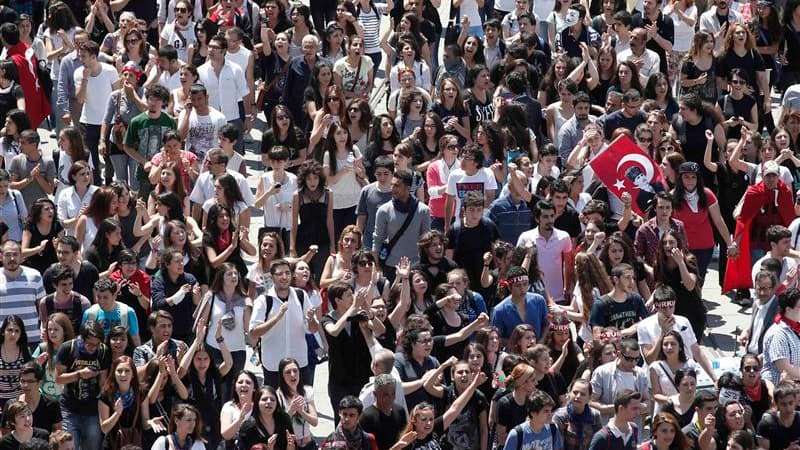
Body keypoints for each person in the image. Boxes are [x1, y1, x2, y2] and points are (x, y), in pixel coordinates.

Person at [250, 259, 319, 388]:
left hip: (299, 364)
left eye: (287, 273)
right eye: (280, 274)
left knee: (301, 403)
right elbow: (254, 333)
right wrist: (277, 317)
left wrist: (311, 320)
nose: (284, 277)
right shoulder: (264, 300)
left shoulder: (301, 296)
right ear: (272, 277)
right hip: (273, 365)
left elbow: (313, 329)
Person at [638, 285, 716, 382]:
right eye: (664, 307)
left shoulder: (683, 321)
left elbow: (696, 351)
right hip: (658, 380)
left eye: (671, 307)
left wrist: (714, 377)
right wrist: (663, 333)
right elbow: (649, 360)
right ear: (656, 306)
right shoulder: (644, 326)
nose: (668, 311)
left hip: (685, 380)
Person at [55, 320, 111, 450]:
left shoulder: (103, 351)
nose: (93, 348)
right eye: (89, 344)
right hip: (69, 408)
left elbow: (103, 382)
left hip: (92, 410)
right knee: (68, 446)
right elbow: (58, 379)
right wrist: (79, 374)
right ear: (81, 338)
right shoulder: (67, 348)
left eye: (96, 344)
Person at [373, 169, 431, 281]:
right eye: (392, 185)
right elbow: (377, 239)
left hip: (415, 267)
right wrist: (377, 267)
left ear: (408, 188)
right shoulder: (383, 210)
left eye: (397, 186)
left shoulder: (423, 210)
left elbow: (426, 241)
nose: (392, 189)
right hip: (391, 266)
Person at [517, 199, 573, 304]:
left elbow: (568, 265)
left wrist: (567, 288)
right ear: (537, 219)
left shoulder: (564, 237)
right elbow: (517, 267)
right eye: (545, 217)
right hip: (532, 296)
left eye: (552, 216)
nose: (550, 220)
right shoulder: (525, 237)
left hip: (558, 298)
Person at [590, 339, 650, 425]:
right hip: (608, 427)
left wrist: (638, 407)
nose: (633, 363)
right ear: (619, 354)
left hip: (634, 429)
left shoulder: (641, 374)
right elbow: (591, 401)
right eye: (629, 359)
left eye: (637, 359)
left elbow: (648, 401)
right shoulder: (602, 372)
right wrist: (616, 408)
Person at [151, 247, 202, 343]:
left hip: (187, 330)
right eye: (177, 261)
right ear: (167, 264)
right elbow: (159, 304)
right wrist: (178, 295)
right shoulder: (159, 281)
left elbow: (197, 303)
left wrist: (196, 294)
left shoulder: (189, 278)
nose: (181, 264)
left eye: (182, 260)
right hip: (166, 333)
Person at [0, 240, 45, 348]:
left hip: (31, 338)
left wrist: (44, 329)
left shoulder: (35, 275)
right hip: (3, 340)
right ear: (1, 257)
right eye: (8, 255)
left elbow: (43, 307)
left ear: (21, 256)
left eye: (15, 254)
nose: (12, 259)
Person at [490, 265, 550, 344]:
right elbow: (497, 338)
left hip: (537, 352)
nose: (522, 289)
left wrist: (541, 341)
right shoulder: (499, 310)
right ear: (509, 287)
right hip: (514, 354)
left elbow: (546, 325)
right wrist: (519, 344)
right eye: (518, 285)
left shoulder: (539, 301)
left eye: (525, 284)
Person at [97, 355, 143, 450]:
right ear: (113, 373)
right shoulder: (106, 395)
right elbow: (104, 428)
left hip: (135, 445)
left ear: (133, 374)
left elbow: (145, 422)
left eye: (127, 371)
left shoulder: (140, 392)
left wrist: (150, 422)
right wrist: (117, 414)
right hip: (113, 445)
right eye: (119, 371)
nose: (123, 374)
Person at [276, 357, 318, 450]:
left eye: (295, 371)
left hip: (308, 444)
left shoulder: (307, 392)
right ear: (282, 376)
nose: (292, 375)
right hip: (290, 446)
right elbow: (278, 426)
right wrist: (291, 411)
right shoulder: (278, 396)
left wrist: (302, 412)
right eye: (288, 372)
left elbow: (315, 422)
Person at [8, 130, 56, 212]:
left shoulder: (48, 162)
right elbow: (11, 186)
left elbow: (50, 190)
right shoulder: (17, 160)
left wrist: (38, 176)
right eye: (19, 142)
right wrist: (29, 179)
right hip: (22, 208)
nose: (20, 146)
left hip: (41, 210)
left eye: (23, 143)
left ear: (34, 145)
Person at [237, 385, 295, 450]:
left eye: (272, 400)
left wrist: (290, 447)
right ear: (257, 402)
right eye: (264, 399)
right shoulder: (248, 427)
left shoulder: (284, 420)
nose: (269, 402)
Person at [359, 374, 408, 450]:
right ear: (375, 394)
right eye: (386, 395)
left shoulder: (400, 411)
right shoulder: (367, 417)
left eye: (393, 394)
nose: (390, 398)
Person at [761, 288, 800, 383]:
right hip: (781, 390)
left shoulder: (795, 327)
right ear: (788, 309)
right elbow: (785, 369)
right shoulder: (778, 333)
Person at [552, 379, 602, 450]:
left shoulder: (595, 415)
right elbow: (557, 446)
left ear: (589, 398)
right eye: (575, 392)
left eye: (583, 394)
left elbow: (597, 443)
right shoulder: (560, 417)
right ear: (569, 393)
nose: (578, 396)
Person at [739, 271, 779, 354]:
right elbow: (758, 325)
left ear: (774, 288)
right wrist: (747, 331)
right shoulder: (756, 304)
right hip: (750, 355)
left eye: (765, 289)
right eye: (759, 288)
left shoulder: (780, 309)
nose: (761, 293)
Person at [17, 361, 62, 431]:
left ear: (40, 383)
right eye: (22, 381)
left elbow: (58, 432)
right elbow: (6, 434)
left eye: (30, 381)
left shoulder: (52, 404)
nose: (25, 385)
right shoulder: (12, 404)